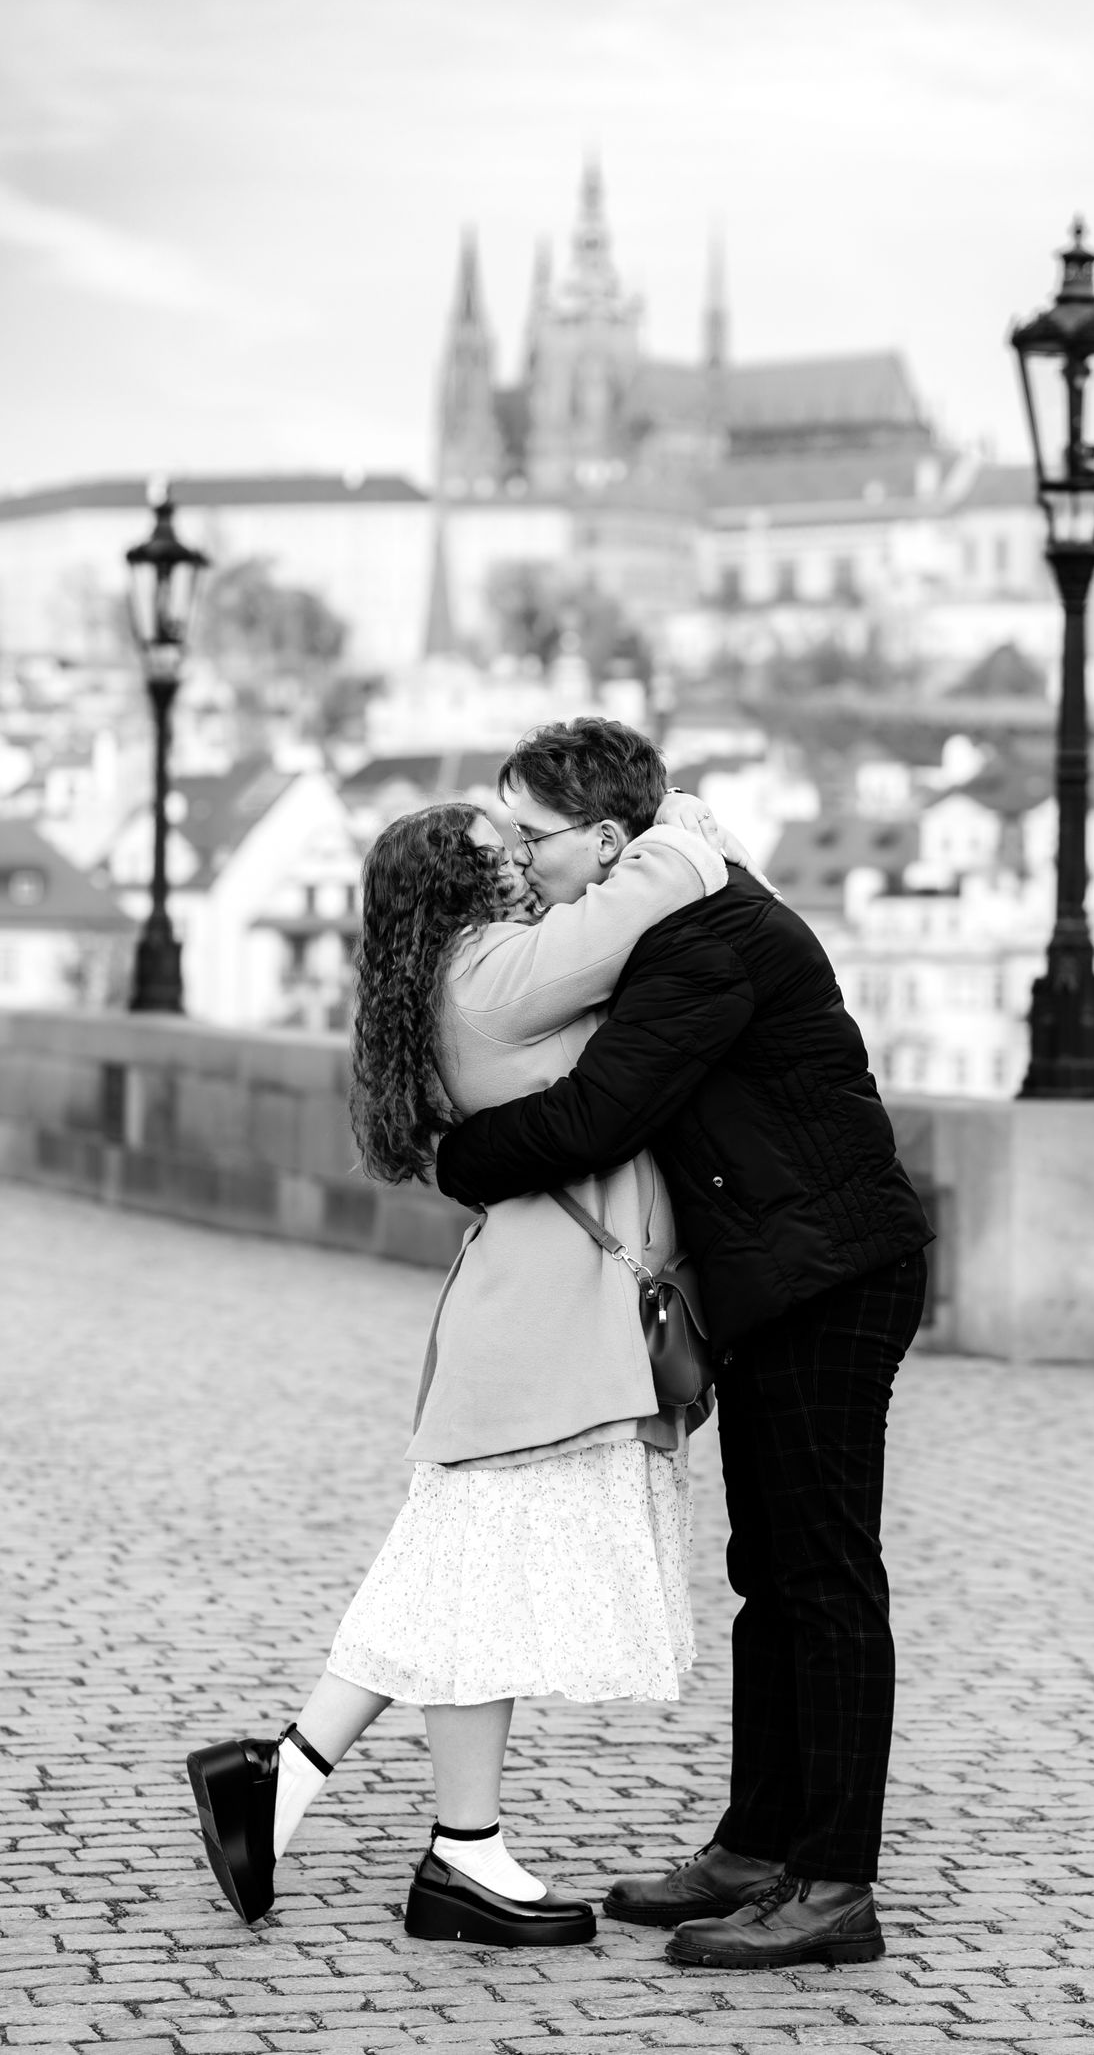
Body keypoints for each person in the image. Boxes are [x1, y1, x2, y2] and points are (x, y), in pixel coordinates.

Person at [187, 764, 738, 1947]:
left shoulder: (461, 977)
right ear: (463, 881)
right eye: (505, 845)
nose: (524, 858)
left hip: (531, 1325)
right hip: (543, 1333)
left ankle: (307, 1793)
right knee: (469, 1587)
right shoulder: (490, 973)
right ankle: (437, 1844)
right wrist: (684, 830)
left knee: (453, 1580)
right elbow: (641, 901)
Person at [434, 717, 934, 1971]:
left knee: (823, 1576)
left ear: (610, 840)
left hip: (830, 1273)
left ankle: (833, 1883)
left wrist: (453, 1156)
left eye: (536, 838)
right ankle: (759, 1845)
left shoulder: (702, 941)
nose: (522, 863)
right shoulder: (671, 914)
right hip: (780, 1272)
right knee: (772, 1570)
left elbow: (600, 1114)